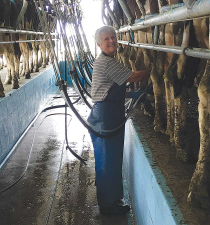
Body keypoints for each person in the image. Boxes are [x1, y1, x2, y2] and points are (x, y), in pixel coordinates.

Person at [87, 25, 151, 215]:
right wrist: (152, 69)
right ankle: (108, 206)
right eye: (106, 39)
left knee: (111, 160)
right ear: (99, 44)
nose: (111, 41)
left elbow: (114, 90)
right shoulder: (107, 62)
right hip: (105, 117)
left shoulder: (107, 61)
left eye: (113, 37)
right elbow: (133, 76)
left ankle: (112, 200)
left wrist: (133, 94)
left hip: (107, 114)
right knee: (108, 161)